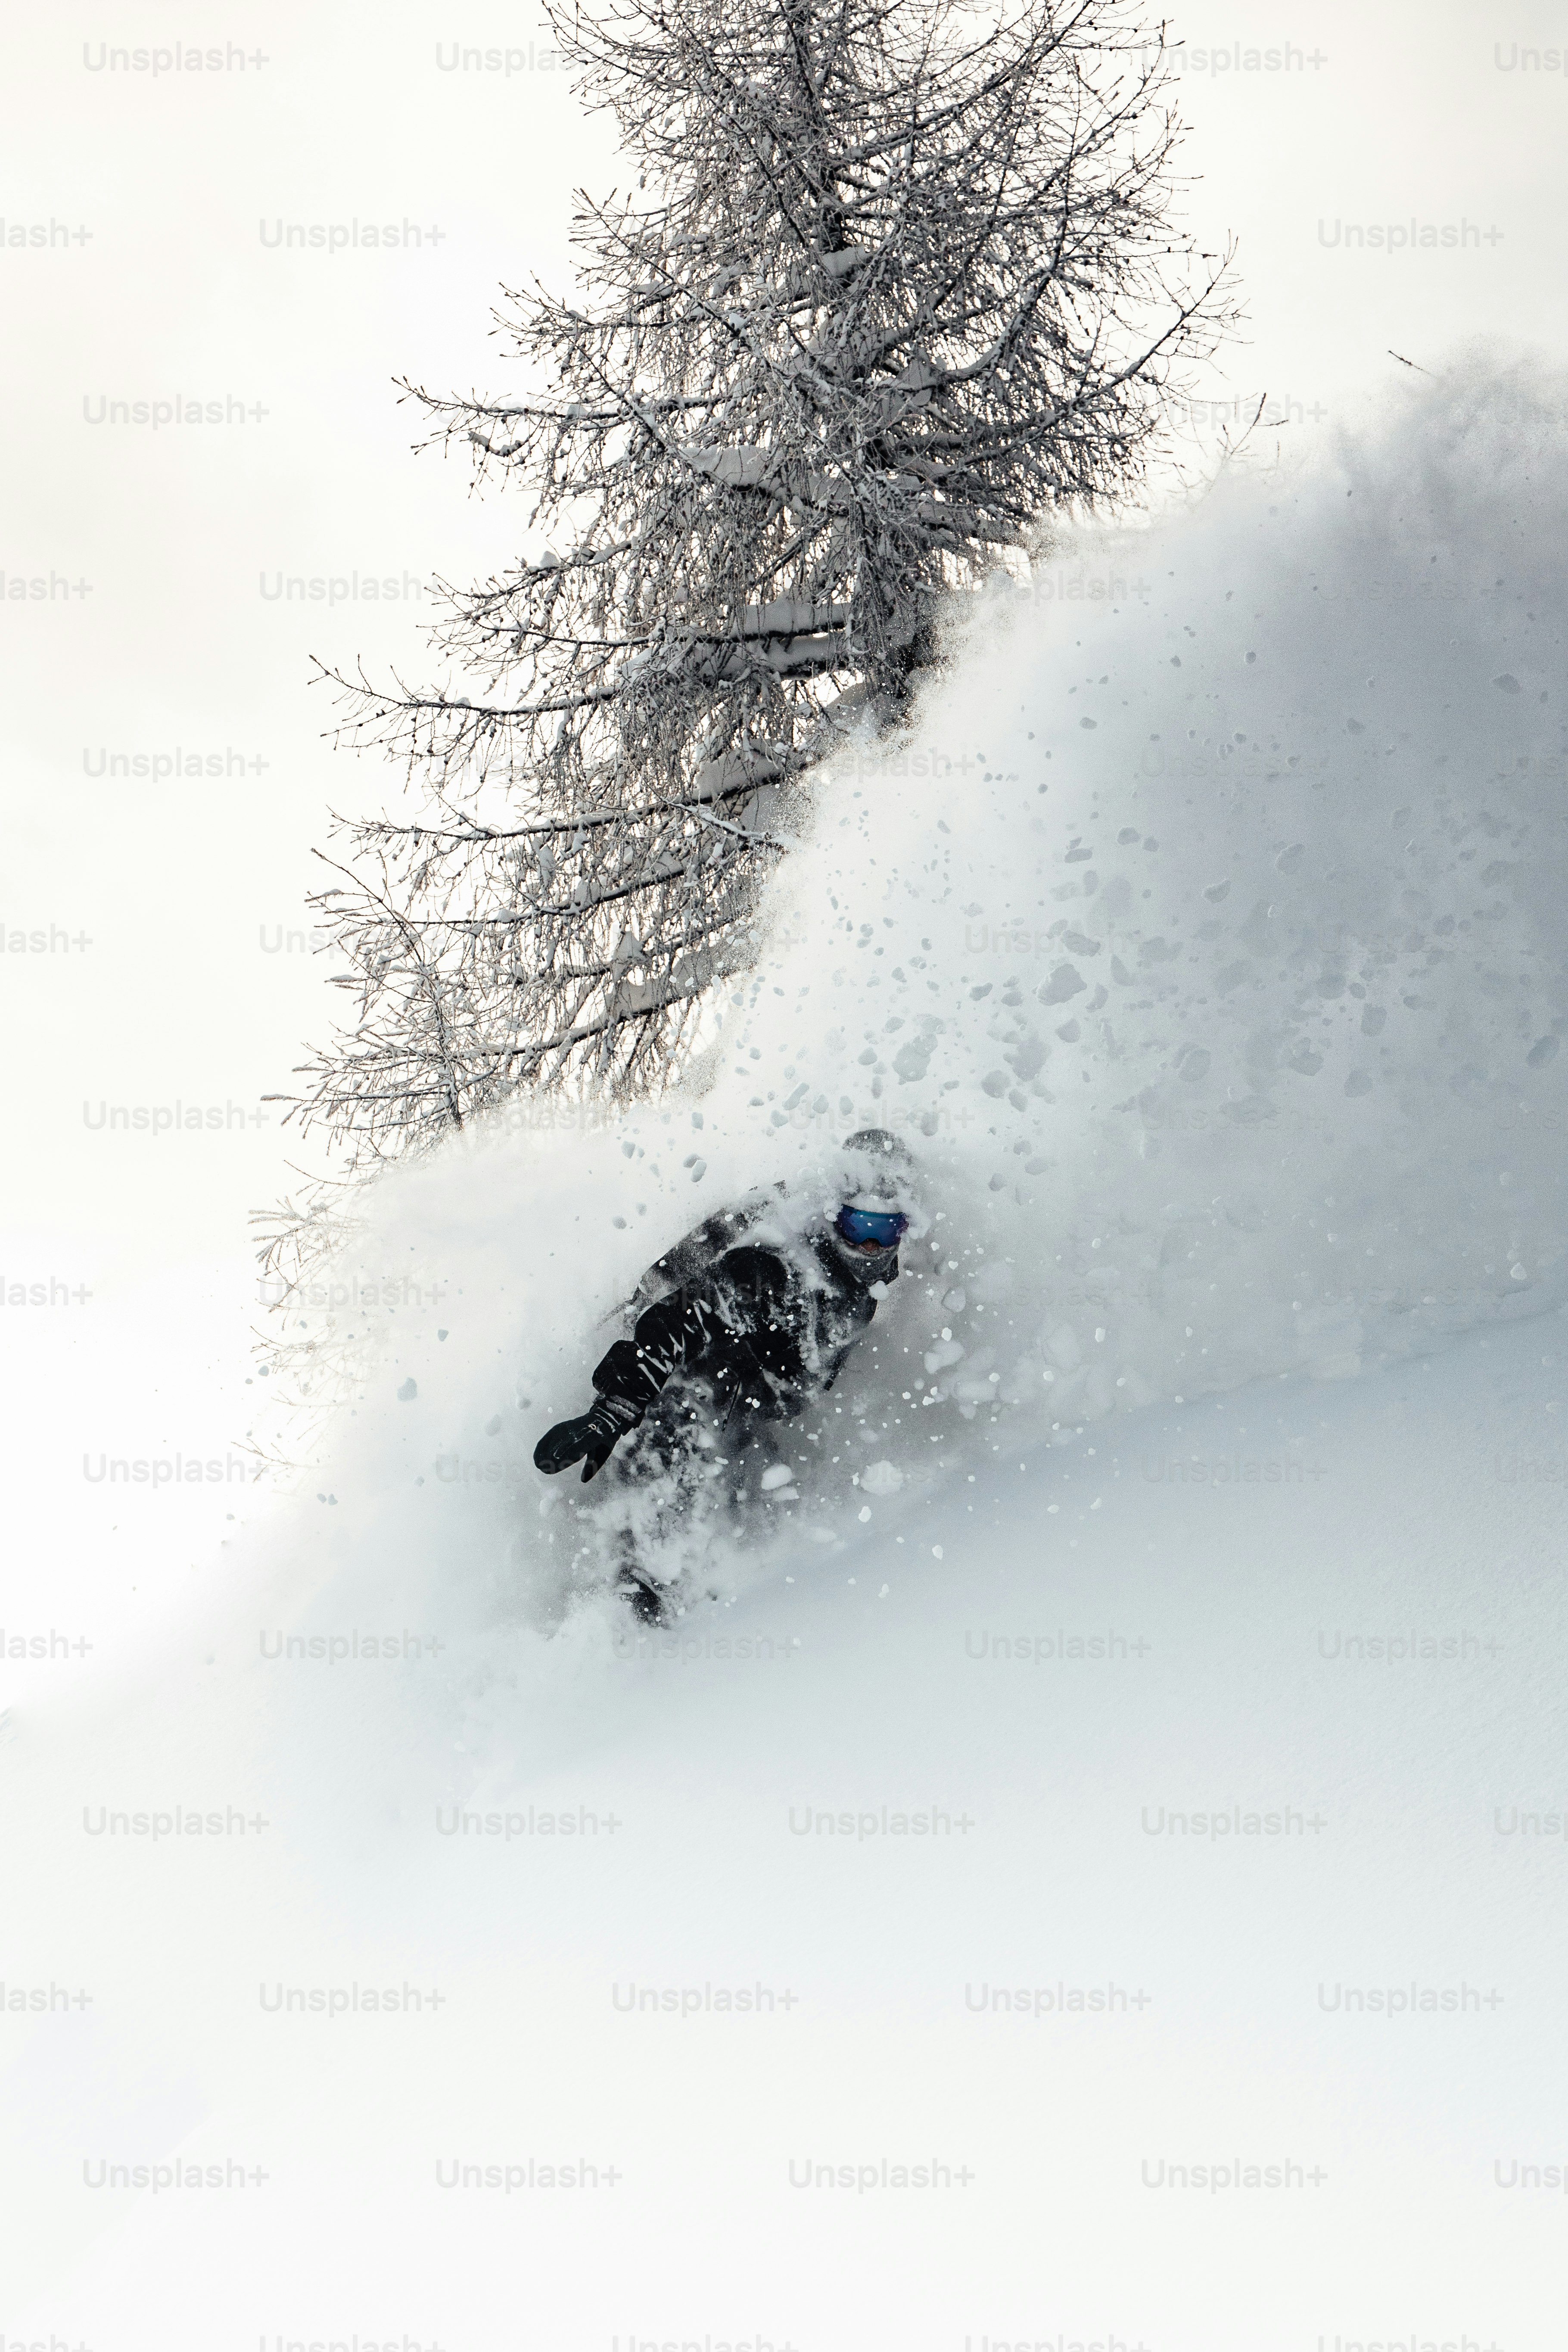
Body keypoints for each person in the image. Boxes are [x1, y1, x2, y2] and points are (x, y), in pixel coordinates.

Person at [533, 1130, 915, 1618]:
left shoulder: (873, 1276)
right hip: (685, 1371)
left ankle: (727, 1582)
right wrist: (619, 1405)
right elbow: (679, 1320)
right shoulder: (777, 1266)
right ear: (831, 1214)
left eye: (883, 1231)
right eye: (857, 1224)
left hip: (754, 1401)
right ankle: (635, 1580)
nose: (866, 1245)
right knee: (681, 1418)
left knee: (755, 1477)